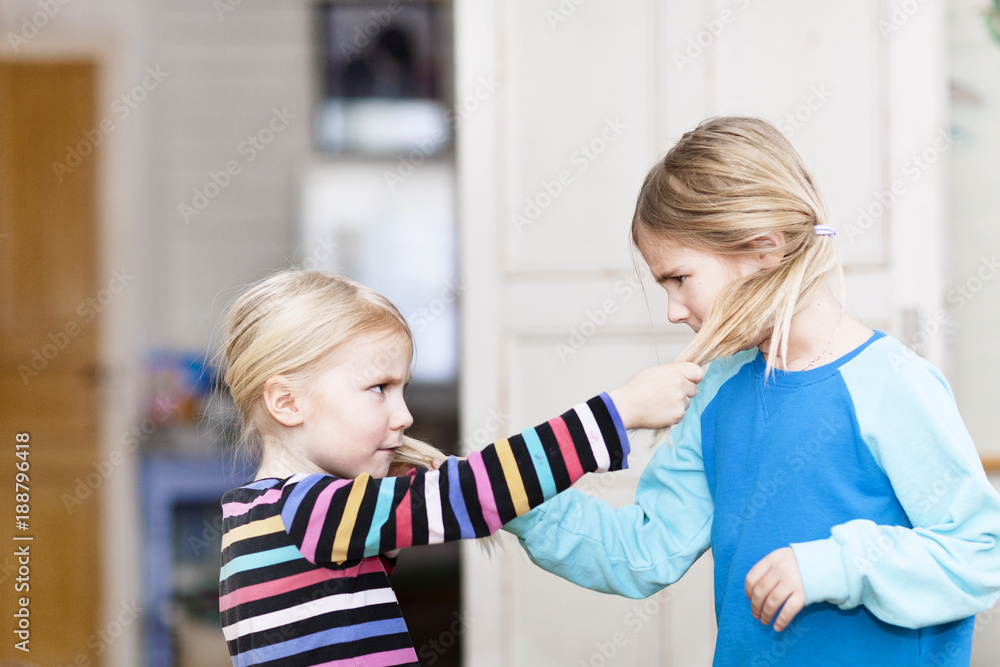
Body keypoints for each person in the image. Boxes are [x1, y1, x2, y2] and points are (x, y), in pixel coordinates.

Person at [504, 116, 1000, 665]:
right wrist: (504, 495)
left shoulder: (891, 386)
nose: (672, 310)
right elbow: (643, 550)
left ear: (763, 249)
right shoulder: (719, 390)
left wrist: (837, 565)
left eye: (679, 278)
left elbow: (978, 554)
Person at [216, 269, 702, 667]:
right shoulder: (311, 513)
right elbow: (474, 492)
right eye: (378, 388)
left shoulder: (259, 515)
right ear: (286, 401)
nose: (404, 415)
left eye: (402, 389)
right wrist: (618, 412)